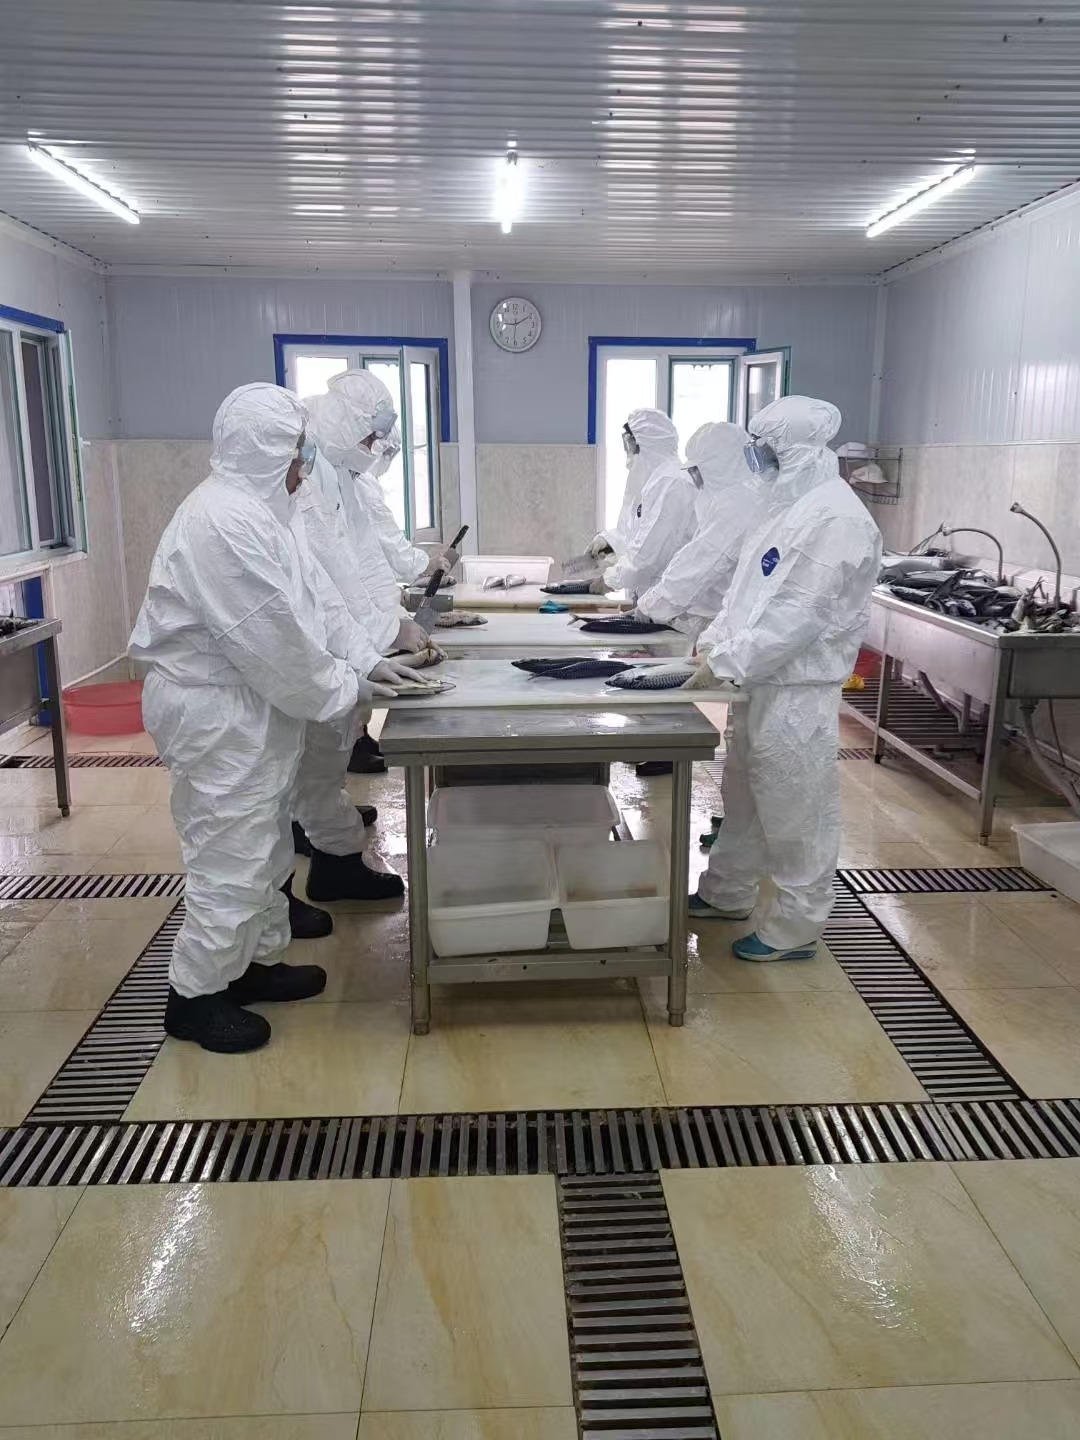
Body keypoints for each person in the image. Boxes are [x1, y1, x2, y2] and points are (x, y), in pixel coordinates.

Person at [130, 383, 414, 1053]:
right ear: (263, 452)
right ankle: (195, 996)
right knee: (229, 854)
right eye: (298, 452)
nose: (305, 466)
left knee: (264, 846)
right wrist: (347, 686)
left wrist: (368, 659)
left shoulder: (264, 511)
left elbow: (317, 602)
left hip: (248, 705)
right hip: (216, 711)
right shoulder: (221, 524)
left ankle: (249, 966)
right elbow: (276, 642)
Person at [686, 395, 882, 961]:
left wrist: (728, 662)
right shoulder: (787, 506)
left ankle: (796, 927)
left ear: (797, 450)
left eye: (766, 449)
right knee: (745, 795)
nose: (758, 459)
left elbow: (799, 615)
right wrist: (715, 642)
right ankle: (727, 891)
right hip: (760, 683)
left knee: (796, 809)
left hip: (797, 690)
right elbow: (746, 593)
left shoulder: (837, 518)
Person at [637, 421, 768, 641]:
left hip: (731, 630)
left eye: (696, 471)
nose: (695, 480)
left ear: (718, 468)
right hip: (729, 622)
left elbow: (698, 563)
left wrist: (651, 606)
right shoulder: (741, 496)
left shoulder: (737, 505)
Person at [356, 423, 462, 583]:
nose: (389, 460)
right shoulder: (364, 484)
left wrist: (416, 578)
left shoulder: (360, 480)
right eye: (389, 453)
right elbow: (390, 540)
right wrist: (425, 565)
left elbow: (383, 552)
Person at [586, 409, 682, 575]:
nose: (628, 450)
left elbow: (648, 552)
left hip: (666, 585)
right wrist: (609, 541)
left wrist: (611, 579)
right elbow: (633, 534)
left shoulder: (672, 483)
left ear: (647, 444)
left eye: (630, 442)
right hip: (648, 585)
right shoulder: (648, 480)